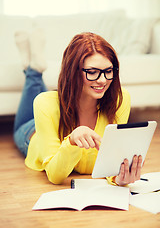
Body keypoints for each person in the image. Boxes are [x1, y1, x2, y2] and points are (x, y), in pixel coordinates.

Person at [13, 30, 142, 185]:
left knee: (45, 97)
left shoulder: (120, 98)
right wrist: (72, 141)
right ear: (72, 71)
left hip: (55, 110)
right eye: (92, 72)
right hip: (31, 133)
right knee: (36, 102)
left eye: (108, 71)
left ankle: (33, 67)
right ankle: (33, 70)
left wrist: (117, 177)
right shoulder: (44, 104)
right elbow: (55, 175)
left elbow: (111, 155)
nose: (102, 80)